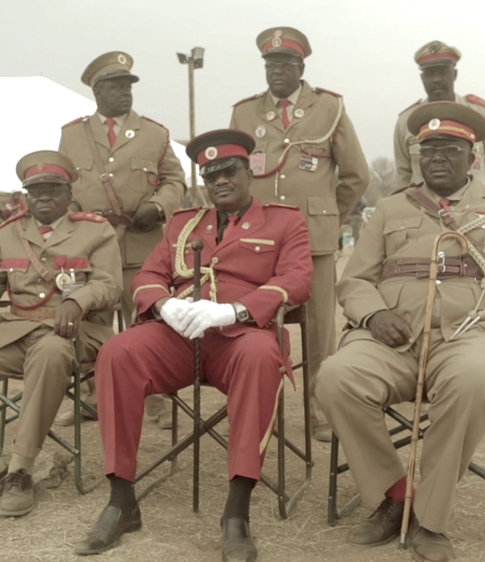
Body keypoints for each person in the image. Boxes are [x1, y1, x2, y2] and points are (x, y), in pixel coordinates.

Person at [315, 102, 485, 562]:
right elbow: (353, 280)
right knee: (336, 378)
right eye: (427, 148)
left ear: (473, 155)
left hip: (471, 335)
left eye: (449, 149)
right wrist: (372, 315)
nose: (436, 157)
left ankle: (430, 521)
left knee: (473, 381)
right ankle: (397, 497)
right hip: (393, 339)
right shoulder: (391, 208)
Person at [73, 130, 313, 560]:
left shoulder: (285, 220)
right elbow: (148, 276)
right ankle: (120, 500)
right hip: (180, 335)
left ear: (248, 172)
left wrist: (235, 310)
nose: (219, 180)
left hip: (242, 336)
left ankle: (236, 512)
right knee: (117, 353)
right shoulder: (184, 223)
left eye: (229, 171)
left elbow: (297, 280)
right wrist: (163, 305)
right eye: (210, 174)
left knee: (261, 357)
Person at [0, 150, 122, 518]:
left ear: (68, 192)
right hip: (16, 331)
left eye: (52, 189)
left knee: (49, 352)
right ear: (26, 195)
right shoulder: (9, 231)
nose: (43, 196)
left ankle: (21, 469)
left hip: (75, 332)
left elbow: (110, 285)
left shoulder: (95, 229)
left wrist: (78, 301)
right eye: (35, 190)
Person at [229, 27, 369, 442]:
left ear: (301, 67)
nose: (277, 72)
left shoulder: (329, 107)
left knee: (319, 330)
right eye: (270, 64)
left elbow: (356, 175)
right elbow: (230, 174)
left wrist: (328, 217)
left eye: (286, 64)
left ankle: (320, 412)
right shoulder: (244, 113)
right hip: (258, 241)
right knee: (251, 325)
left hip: (313, 241)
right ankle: (256, 410)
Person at [57, 51, 187, 429]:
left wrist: (159, 207)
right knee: (90, 321)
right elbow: (65, 186)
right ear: (97, 91)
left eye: (128, 86)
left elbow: (175, 180)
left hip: (140, 243)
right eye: (115, 86)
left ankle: (158, 404)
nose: (125, 93)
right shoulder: (72, 135)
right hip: (89, 247)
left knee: (148, 323)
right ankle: (91, 400)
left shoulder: (155, 133)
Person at [393, 41, 485, 188]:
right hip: (423, 208)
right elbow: (404, 174)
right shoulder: (406, 121)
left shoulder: (483, 116)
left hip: (474, 207)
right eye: (430, 73)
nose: (437, 79)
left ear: (455, 74)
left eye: (443, 71)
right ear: (422, 78)